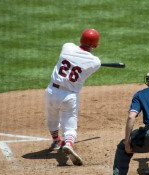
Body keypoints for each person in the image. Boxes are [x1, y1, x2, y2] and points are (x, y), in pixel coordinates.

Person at [45, 28, 101, 166]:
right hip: (69, 96)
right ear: (94, 45)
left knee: (52, 118)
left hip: (51, 91)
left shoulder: (67, 46)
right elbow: (86, 63)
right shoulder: (95, 62)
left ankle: (56, 141)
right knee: (70, 126)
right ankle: (69, 143)